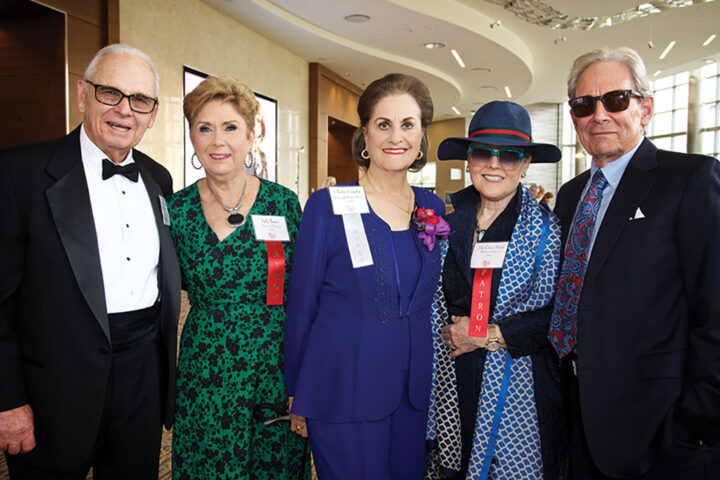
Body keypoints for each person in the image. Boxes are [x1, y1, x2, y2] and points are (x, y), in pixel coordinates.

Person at [0, 44, 181, 479]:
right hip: (52, 387)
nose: (124, 111)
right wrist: (7, 399)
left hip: (142, 377)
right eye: (109, 94)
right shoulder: (18, 173)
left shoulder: (159, 179)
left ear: (152, 114)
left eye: (140, 100)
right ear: (82, 94)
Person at [548, 46, 720, 479]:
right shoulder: (571, 196)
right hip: (577, 420)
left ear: (645, 109)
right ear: (573, 118)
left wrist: (694, 425)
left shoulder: (691, 180)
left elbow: (715, 313)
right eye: (585, 105)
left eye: (616, 100)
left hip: (660, 434)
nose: (599, 115)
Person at [284, 73, 448, 480]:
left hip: (412, 393)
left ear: (422, 135)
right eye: (383, 124)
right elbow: (301, 306)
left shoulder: (431, 206)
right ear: (364, 134)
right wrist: (298, 392)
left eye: (408, 125)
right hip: (343, 389)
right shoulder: (327, 206)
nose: (396, 137)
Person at [168, 76, 307, 479]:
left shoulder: (283, 203)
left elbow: (305, 295)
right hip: (206, 371)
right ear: (192, 137)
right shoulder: (176, 211)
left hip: (275, 367)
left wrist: (306, 380)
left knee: (274, 466)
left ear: (251, 135)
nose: (217, 141)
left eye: (230, 127)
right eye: (204, 128)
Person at [427, 101, 566, 479]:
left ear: (524, 165)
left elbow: (557, 313)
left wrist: (485, 336)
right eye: (483, 152)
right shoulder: (445, 219)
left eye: (508, 156)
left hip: (517, 381)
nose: (493, 164)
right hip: (451, 377)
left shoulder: (547, 231)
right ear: (469, 159)